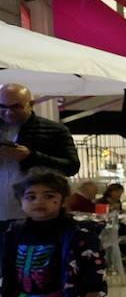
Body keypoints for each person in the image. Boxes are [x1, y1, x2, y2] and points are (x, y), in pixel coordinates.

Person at [0, 83, 80, 231]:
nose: (8, 112)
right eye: (2, 107)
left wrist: (29, 156)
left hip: (36, 214)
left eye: (16, 107)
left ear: (31, 105)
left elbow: (71, 167)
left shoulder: (55, 130)